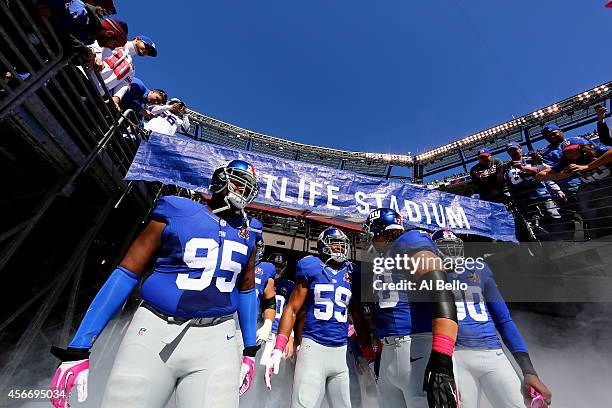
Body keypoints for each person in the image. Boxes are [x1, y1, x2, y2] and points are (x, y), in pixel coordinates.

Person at [49, 160, 261, 408]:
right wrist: (79, 347)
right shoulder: (177, 210)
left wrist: (249, 350)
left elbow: (247, 290)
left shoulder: (250, 231)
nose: (242, 191)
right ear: (219, 180)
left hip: (217, 337)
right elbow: (127, 272)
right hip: (155, 328)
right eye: (237, 182)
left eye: (247, 188)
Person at [432, 228, 552, 407]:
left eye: (453, 247)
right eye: (445, 248)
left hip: (492, 352)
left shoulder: (479, 270)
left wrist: (529, 370)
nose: (450, 252)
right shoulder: (428, 277)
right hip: (455, 356)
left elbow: (504, 320)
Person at [363, 208, 459, 408]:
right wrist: (381, 353)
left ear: (382, 231)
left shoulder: (410, 240)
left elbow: (441, 293)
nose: (370, 242)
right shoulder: (386, 258)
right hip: (390, 352)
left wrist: (442, 358)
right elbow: (387, 314)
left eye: (372, 235)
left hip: (417, 346)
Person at [265, 227, 354, 408]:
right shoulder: (311, 266)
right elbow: (293, 309)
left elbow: (359, 311)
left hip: (340, 351)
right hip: (314, 347)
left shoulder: (352, 271)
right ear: (323, 246)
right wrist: (279, 346)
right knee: (304, 404)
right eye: (335, 246)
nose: (340, 249)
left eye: (342, 246)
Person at [537, 138, 612, 238]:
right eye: (567, 152)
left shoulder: (596, 150)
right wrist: (563, 175)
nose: (570, 154)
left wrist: (587, 167)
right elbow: (540, 175)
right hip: (600, 194)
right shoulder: (566, 163)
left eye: (572, 150)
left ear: (581, 148)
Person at [500, 142, 563, 241]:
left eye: (514, 149)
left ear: (520, 148)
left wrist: (523, 168)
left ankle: (562, 237)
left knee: (552, 214)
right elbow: (502, 182)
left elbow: (542, 171)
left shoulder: (531, 159)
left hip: (540, 193)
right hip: (523, 199)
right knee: (534, 223)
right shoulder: (508, 167)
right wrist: (502, 170)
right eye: (510, 151)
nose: (512, 152)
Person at [92, 35, 158, 106]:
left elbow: (124, 84)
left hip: (96, 93)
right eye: (147, 47)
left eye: (149, 52)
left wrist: (117, 98)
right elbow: (97, 44)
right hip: (84, 75)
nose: (146, 51)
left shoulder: (132, 69)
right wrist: (96, 57)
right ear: (137, 39)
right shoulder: (117, 41)